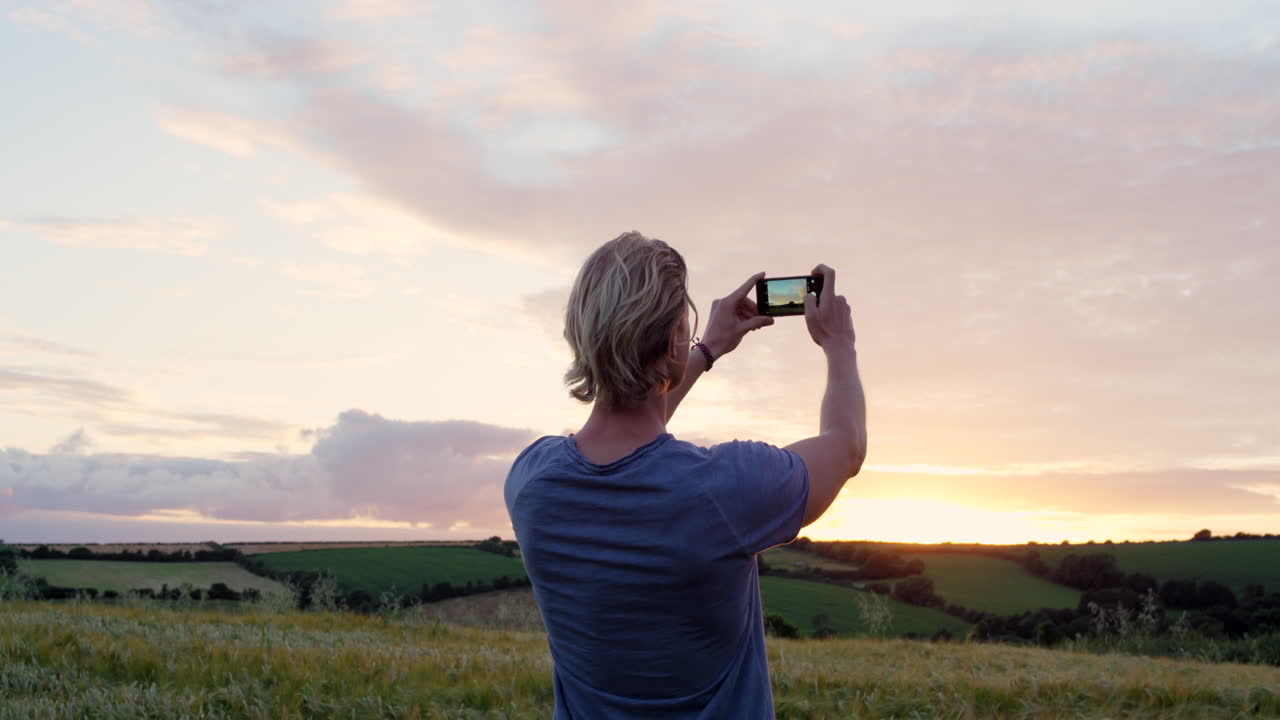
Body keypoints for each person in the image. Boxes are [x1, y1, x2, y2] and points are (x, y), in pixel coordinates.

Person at [503, 231, 866, 718]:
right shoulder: (724, 490)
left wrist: (706, 349)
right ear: (674, 337)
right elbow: (846, 448)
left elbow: (629, 430)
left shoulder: (530, 484)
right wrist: (838, 344)